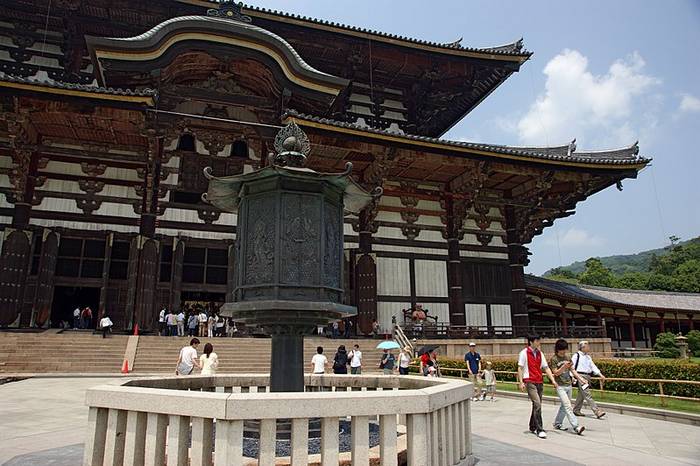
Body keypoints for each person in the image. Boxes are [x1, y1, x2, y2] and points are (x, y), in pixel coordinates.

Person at [518, 334, 558, 439]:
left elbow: (546, 367)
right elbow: (520, 368)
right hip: (529, 381)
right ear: (531, 342)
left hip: (539, 381)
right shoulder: (524, 353)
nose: (539, 342)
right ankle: (539, 429)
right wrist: (521, 382)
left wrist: (553, 380)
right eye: (537, 340)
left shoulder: (540, 353)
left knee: (537, 405)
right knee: (537, 403)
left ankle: (532, 426)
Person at [550, 339, 586, 434]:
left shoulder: (568, 356)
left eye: (565, 349)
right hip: (560, 386)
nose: (564, 352)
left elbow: (573, 370)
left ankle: (557, 423)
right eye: (562, 349)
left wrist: (581, 379)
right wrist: (563, 367)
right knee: (568, 406)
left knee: (564, 406)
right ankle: (576, 426)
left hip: (568, 385)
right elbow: (555, 373)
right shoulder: (554, 359)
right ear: (558, 349)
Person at [572, 341, 606, 419]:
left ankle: (576, 410)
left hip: (587, 376)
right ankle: (597, 411)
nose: (589, 348)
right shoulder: (576, 355)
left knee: (581, 394)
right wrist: (572, 376)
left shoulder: (588, 357)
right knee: (587, 394)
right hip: (580, 376)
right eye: (587, 346)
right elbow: (571, 366)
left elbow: (593, 366)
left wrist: (600, 375)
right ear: (582, 347)